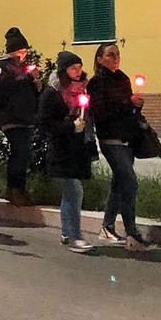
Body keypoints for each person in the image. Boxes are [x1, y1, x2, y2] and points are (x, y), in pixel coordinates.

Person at [87, 42, 149, 251]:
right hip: (110, 140)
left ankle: (107, 226)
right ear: (100, 59)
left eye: (117, 54)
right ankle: (132, 231)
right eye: (110, 55)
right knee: (129, 182)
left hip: (127, 138)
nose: (115, 58)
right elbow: (102, 111)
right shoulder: (97, 83)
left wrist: (136, 105)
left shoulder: (122, 78)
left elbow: (126, 107)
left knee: (119, 182)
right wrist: (127, 102)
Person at [37, 51, 96, 253]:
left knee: (72, 192)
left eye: (79, 67)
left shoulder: (83, 90)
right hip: (62, 149)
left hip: (79, 148)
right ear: (64, 70)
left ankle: (66, 232)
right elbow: (45, 124)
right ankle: (74, 236)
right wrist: (70, 126)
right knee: (74, 191)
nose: (77, 72)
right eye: (73, 68)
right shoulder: (52, 93)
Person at [0, 27, 41, 206]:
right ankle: (13, 189)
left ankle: (20, 188)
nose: (24, 54)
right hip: (11, 118)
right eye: (22, 51)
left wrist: (36, 83)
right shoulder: (1, 67)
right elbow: (3, 86)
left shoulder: (22, 68)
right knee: (18, 153)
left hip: (26, 117)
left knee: (24, 154)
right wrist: (26, 78)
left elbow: (31, 92)